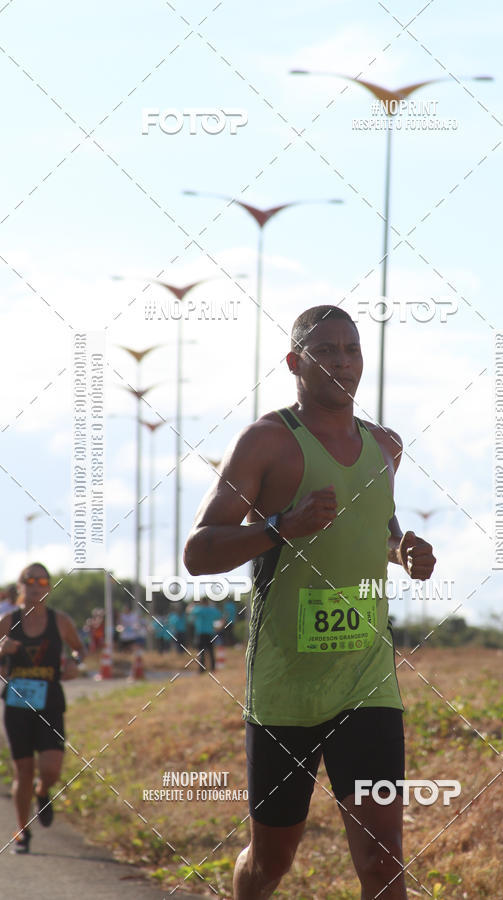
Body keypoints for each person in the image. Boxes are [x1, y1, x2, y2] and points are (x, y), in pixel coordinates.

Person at [184, 305, 436, 899]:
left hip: (366, 682)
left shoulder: (385, 446)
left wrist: (404, 551)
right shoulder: (266, 442)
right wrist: (280, 527)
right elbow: (199, 551)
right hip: (285, 689)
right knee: (272, 862)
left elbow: (381, 527)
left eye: (352, 349)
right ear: (297, 362)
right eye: (327, 351)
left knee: (381, 864)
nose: (343, 362)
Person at [0, 562, 85, 854]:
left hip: (49, 702)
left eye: (43, 580)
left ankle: (43, 790)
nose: (36, 585)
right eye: (30, 580)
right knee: (23, 770)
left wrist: (76, 662)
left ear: (49, 587)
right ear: (20, 586)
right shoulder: (7, 621)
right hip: (16, 704)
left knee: (50, 768)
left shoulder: (59, 620)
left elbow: (80, 647)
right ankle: (22, 832)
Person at [190, 596, 222, 673]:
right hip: (210, 633)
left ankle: (202, 670)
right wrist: (219, 627)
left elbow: (189, 611)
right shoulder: (213, 610)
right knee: (211, 651)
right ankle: (213, 668)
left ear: (201, 602)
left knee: (201, 652)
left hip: (201, 633)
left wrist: (193, 604)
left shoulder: (199, 609)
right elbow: (221, 617)